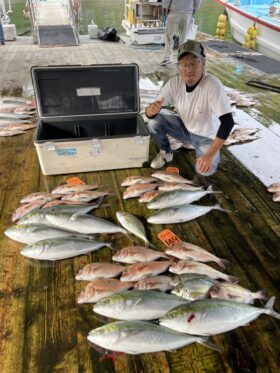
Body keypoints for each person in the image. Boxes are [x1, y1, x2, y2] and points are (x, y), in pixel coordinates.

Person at [145, 39, 234, 178]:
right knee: (154, 122)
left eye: (193, 63)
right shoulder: (174, 83)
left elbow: (228, 122)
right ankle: (165, 153)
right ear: (179, 66)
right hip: (185, 129)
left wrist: (209, 155)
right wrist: (150, 111)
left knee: (204, 171)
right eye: (184, 64)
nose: (189, 69)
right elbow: (152, 110)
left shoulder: (212, 85)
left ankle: (205, 153)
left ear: (203, 63)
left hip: (206, 137)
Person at [160, 0, 202, 66]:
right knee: (184, 37)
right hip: (188, 12)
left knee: (169, 36)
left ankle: (167, 58)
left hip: (174, 10)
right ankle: (181, 59)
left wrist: (166, 6)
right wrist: (195, 8)